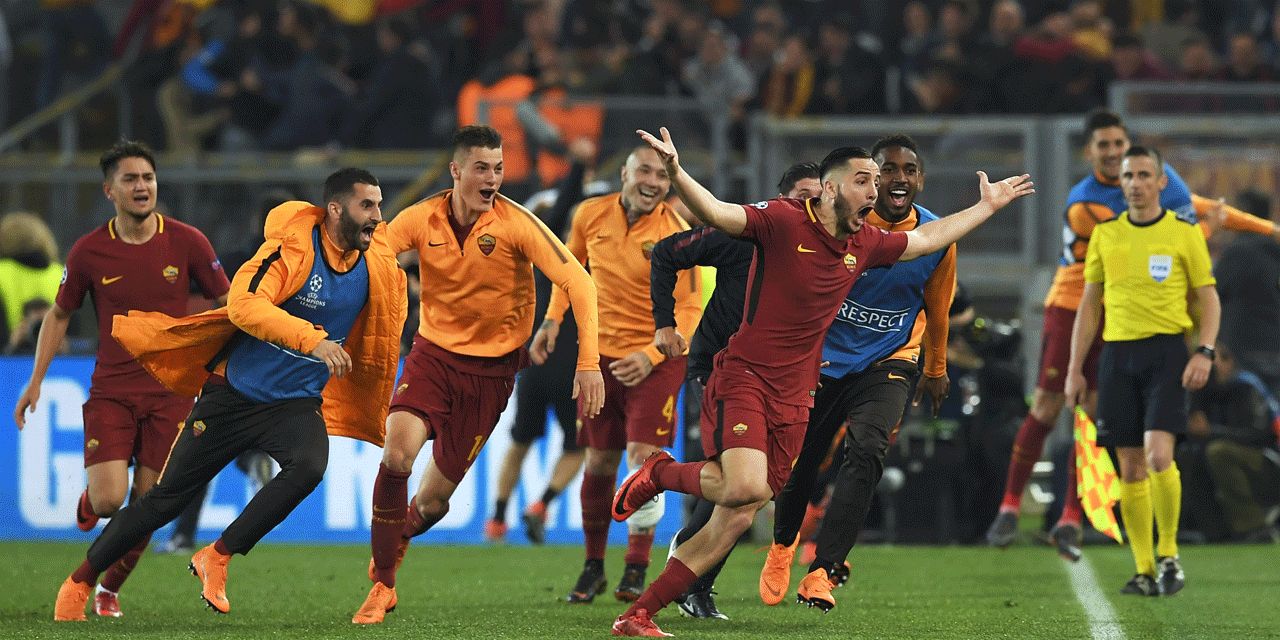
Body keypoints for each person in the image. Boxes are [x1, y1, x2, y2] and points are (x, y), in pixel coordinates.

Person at [609, 126, 1033, 636]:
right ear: (830, 189)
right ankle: (658, 473)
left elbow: (925, 240)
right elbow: (718, 212)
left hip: (798, 393)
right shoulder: (782, 220)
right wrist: (677, 172)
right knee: (744, 487)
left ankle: (638, 614)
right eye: (863, 180)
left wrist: (986, 207)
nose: (875, 190)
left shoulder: (864, 242)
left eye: (875, 181)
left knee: (742, 509)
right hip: (747, 376)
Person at [50, 168, 405, 620]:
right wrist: (312, 340)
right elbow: (244, 305)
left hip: (295, 402)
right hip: (234, 394)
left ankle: (217, 555)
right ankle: (80, 581)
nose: (377, 216)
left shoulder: (375, 260)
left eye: (379, 205)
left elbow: (417, 240)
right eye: (367, 205)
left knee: (310, 466)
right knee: (164, 501)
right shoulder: (292, 250)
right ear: (335, 209)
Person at [986, 108, 1279, 561]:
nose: (1113, 152)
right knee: (1048, 406)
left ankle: (1075, 517)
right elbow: (1147, 246)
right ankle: (1010, 505)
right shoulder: (1086, 204)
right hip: (1075, 304)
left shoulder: (1160, 181)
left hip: (1124, 314)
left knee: (1098, 417)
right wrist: (1207, 229)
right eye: (1103, 146)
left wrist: (1271, 230)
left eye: (1119, 144)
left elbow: (1204, 209)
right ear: (1089, 153)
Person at [353, 125, 604, 624]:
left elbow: (579, 282)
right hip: (431, 357)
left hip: (490, 376)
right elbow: (372, 256)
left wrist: (589, 363)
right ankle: (383, 584)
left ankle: (401, 536)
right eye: (482, 168)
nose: (492, 179)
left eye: (499, 169)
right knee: (397, 454)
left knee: (432, 503)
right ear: (456, 171)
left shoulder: (517, 223)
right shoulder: (421, 217)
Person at [13, 140, 230, 619]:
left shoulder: (188, 241)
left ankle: (108, 589)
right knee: (112, 499)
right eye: (130, 179)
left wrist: (219, 359)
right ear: (109, 191)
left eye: (148, 177)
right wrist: (35, 380)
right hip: (113, 391)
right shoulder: (89, 251)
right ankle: (92, 500)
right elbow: (59, 315)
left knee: (150, 503)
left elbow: (228, 305)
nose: (142, 186)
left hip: (172, 393)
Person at [761, 134, 957, 612]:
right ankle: (783, 544)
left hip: (891, 359)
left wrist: (935, 367)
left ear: (921, 179)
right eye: (888, 170)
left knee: (868, 449)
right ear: (868, 180)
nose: (899, 179)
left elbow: (938, 306)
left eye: (909, 170)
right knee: (802, 461)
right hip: (825, 357)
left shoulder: (934, 236)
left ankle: (823, 570)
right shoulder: (844, 224)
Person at [648, 161, 822, 620]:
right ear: (781, 200)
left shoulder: (831, 245)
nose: (810, 207)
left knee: (752, 490)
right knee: (738, 485)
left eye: (818, 197)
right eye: (802, 197)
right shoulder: (748, 232)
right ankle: (693, 582)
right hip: (721, 369)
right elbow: (666, 253)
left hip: (781, 380)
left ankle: (685, 552)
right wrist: (664, 323)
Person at [531, 144, 702, 605]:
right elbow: (569, 272)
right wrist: (551, 321)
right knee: (599, 461)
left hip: (657, 361)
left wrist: (651, 354)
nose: (653, 182)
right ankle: (593, 566)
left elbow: (691, 306)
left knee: (644, 460)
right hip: (601, 357)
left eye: (662, 176)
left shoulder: (678, 232)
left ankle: (636, 566)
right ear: (624, 173)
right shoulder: (589, 213)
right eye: (644, 171)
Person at [1065, 146, 1219, 597]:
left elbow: (1208, 297)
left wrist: (1205, 351)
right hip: (1117, 356)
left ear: (1161, 182)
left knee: (1158, 456)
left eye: (1144, 175)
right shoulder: (1106, 234)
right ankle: (1144, 569)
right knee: (1130, 468)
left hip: (1167, 352)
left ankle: (1169, 554)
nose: (1135, 183)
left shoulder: (1183, 233)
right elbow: (1090, 305)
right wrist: (1075, 369)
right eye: (1129, 176)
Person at [485, 139, 607, 545]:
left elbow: (560, 211)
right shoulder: (596, 259)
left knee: (520, 441)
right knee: (578, 447)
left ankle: (497, 519)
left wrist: (577, 170)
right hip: (574, 366)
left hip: (536, 360)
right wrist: (581, 171)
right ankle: (542, 504)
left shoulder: (544, 255)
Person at [1179, 344, 1280, 543]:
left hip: (1269, 462)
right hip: (1238, 459)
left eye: (1212, 365)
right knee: (1188, 454)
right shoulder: (1206, 391)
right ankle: (1213, 530)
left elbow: (1259, 435)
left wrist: (1211, 431)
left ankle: (1254, 526)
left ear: (1229, 362)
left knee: (1218, 451)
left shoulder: (1245, 386)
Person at [0, 211, 63, 345]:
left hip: (9, 355)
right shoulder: (60, 273)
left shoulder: (2, 273)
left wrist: (10, 345)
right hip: (56, 354)